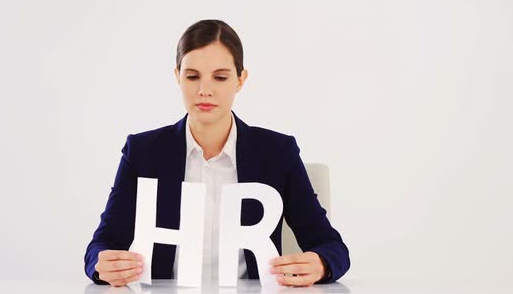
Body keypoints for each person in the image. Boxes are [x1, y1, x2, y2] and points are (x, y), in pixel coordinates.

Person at [84, 19, 350, 287]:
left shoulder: (277, 153)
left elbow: (331, 246)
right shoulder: (143, 153)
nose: (205, 90)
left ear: (240, 79)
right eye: (192, 76)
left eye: (220, 77)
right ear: (177, 76)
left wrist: (322, 264)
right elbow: (101, 244)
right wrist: (101, 265)